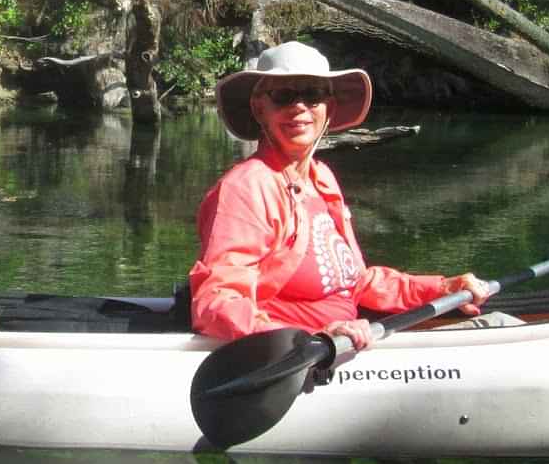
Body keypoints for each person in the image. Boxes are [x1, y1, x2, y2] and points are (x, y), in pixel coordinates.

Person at [190, 41, 493, 347]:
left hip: (347, 340)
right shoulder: (247, 187)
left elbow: (356, 284)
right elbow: (217, 302)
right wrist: (310, 339)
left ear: (329, 109)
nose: (299, 107)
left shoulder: (321, 179)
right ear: (259, 108)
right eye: (282, 96)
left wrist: (441, 289)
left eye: (312, 95)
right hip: (303, 353)